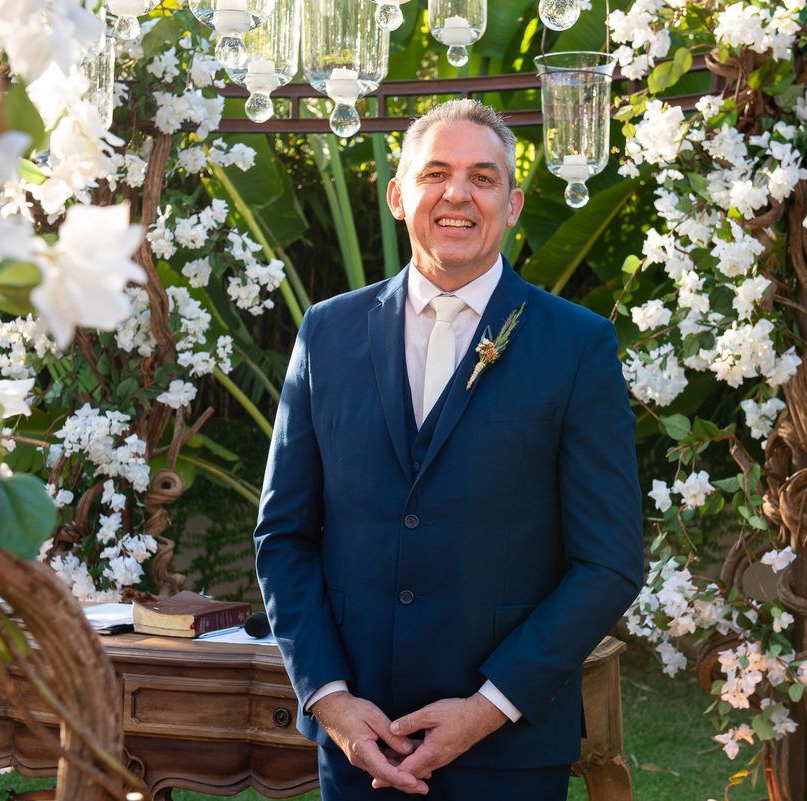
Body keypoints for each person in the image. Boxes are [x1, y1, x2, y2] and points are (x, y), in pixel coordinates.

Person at [254, 99, 643, 800]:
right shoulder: (326, 333)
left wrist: (488, 706)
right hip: (360, 748)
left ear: (514, 203)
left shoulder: (579, 346)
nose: (458, 193)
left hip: (510, 749)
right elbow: (283, 535)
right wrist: (333, 702)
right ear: (399, 196)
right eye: (436, 172)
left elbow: (608, 560)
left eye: (484, 177)